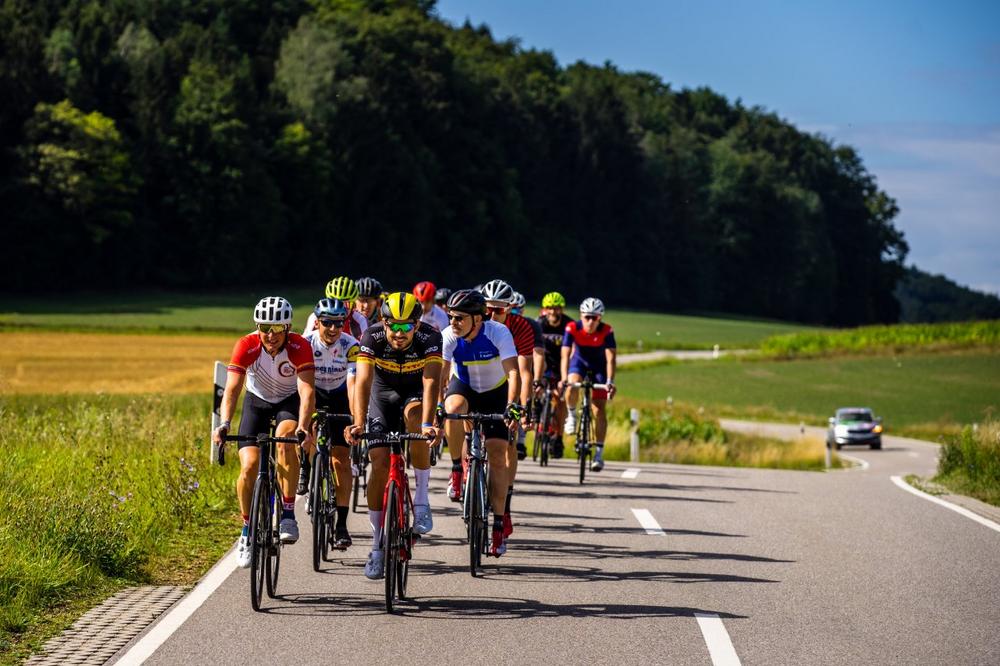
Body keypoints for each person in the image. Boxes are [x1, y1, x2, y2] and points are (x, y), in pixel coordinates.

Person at [212, 297, 316, 568]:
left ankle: (288, 514)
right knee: (249, 466)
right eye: (265, 327)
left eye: (278, 329)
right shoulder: (247, 345)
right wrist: (224, 424)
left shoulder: (299, 346)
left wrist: (304, 426)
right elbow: (233, 389)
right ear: (257, 326)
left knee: (285, 440)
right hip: (256, 403)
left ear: (288, 327)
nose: (270, 335)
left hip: (287, 402)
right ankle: (246, 532)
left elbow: (306, 391)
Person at [345, 292, 443, 579]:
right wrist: (358, 423)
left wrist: (428, 422)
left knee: (416, 421)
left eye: (406, 327)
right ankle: (376, 547)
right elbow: (363, 381)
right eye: (393, 326)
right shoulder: (371, 337)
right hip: (382, 395)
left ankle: (422, 501)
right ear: (384, 323)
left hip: (414, 393)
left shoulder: (430, 337)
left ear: (416, 324)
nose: (399, 334)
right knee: (379, 464)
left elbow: (431, 380)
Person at [439, 289, 521, 557]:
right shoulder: (449, 335)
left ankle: (498, 526)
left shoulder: (498, 333)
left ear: (477, 319)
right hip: (465, 388)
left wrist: (512, 405)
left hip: (495, 394)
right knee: (452, 409)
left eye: (460, 318)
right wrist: (437, 407)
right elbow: (441, 375)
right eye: (451, 316)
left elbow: (513, 372)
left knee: (498, 456)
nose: (453, 322)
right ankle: (455, 469)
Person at [481, 279, 543, 546]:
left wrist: (523, 406)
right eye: (489, 309)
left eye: (499, 310)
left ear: (510, 308)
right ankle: (460, 470)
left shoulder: (520, 327)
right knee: (467, 426)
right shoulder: (476, 323)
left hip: (508, 385)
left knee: (508, 446)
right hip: (479, 381)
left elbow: (525, 372)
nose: (493, 315)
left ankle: (504, 502)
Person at [300, 298, 360, 548]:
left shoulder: (351, 346)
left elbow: (354, 384)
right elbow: (302, 387)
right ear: (317, 322)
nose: (333, 329)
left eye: (339, 323)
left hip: (340, 396)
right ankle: (305, 465)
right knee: (304, 430)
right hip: (312, 392)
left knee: (340, 461)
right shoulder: (305, 344)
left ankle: (342, 525)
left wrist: (356, 419)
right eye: (327, 323)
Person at [561, 297, 617, 472]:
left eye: (595, 317)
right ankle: (571, 415)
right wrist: (563, 378)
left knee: (599, 409)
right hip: (579, 363)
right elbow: (565, 355)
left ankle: (599, 453)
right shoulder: (572, 328)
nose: (591, 321)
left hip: (599, 367)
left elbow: (611, 358)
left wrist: (609, 382)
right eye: (587, 317)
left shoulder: (607, 331)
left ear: (600, 318)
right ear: (581, 316)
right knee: (572, 384)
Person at [537, 291, 573, 457]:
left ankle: (558, 437)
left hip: (562, 365)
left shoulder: (568, 325)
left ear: (561, 309)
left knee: (559, 399)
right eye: (550, 308)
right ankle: (537, 413)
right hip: (544, 363)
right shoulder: (539, 324)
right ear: (545, 309)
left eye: (556, 308)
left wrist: (565, 377)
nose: (553, 312)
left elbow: (573, 352)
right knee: (536, 388)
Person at [303, 276, 368, 339]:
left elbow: (364, 347)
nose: (341, 309)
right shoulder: (316, 317)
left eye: (347, 304)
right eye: (335, 303)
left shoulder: (359, 320)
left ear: (354, 305)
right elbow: (304, 343)